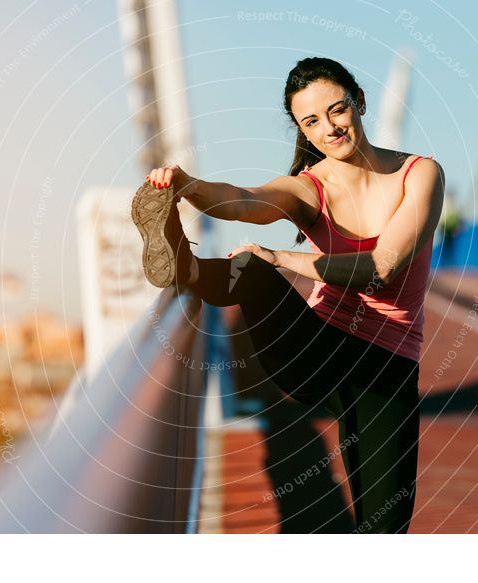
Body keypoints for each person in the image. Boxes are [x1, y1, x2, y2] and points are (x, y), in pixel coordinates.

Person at [131, 57, 444, 533]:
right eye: (311, 121)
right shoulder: (310, 188)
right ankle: (185, 264)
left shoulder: (419, 174)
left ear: (359, 103)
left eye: (336, 111)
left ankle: (194, 267)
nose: (328, 128)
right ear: (301, 128)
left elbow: (383, 267)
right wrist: (188, 186)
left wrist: (284, 258)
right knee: (252, 271)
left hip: (388, 363)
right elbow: (243, 201)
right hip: (314, 351)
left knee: (385, 531)